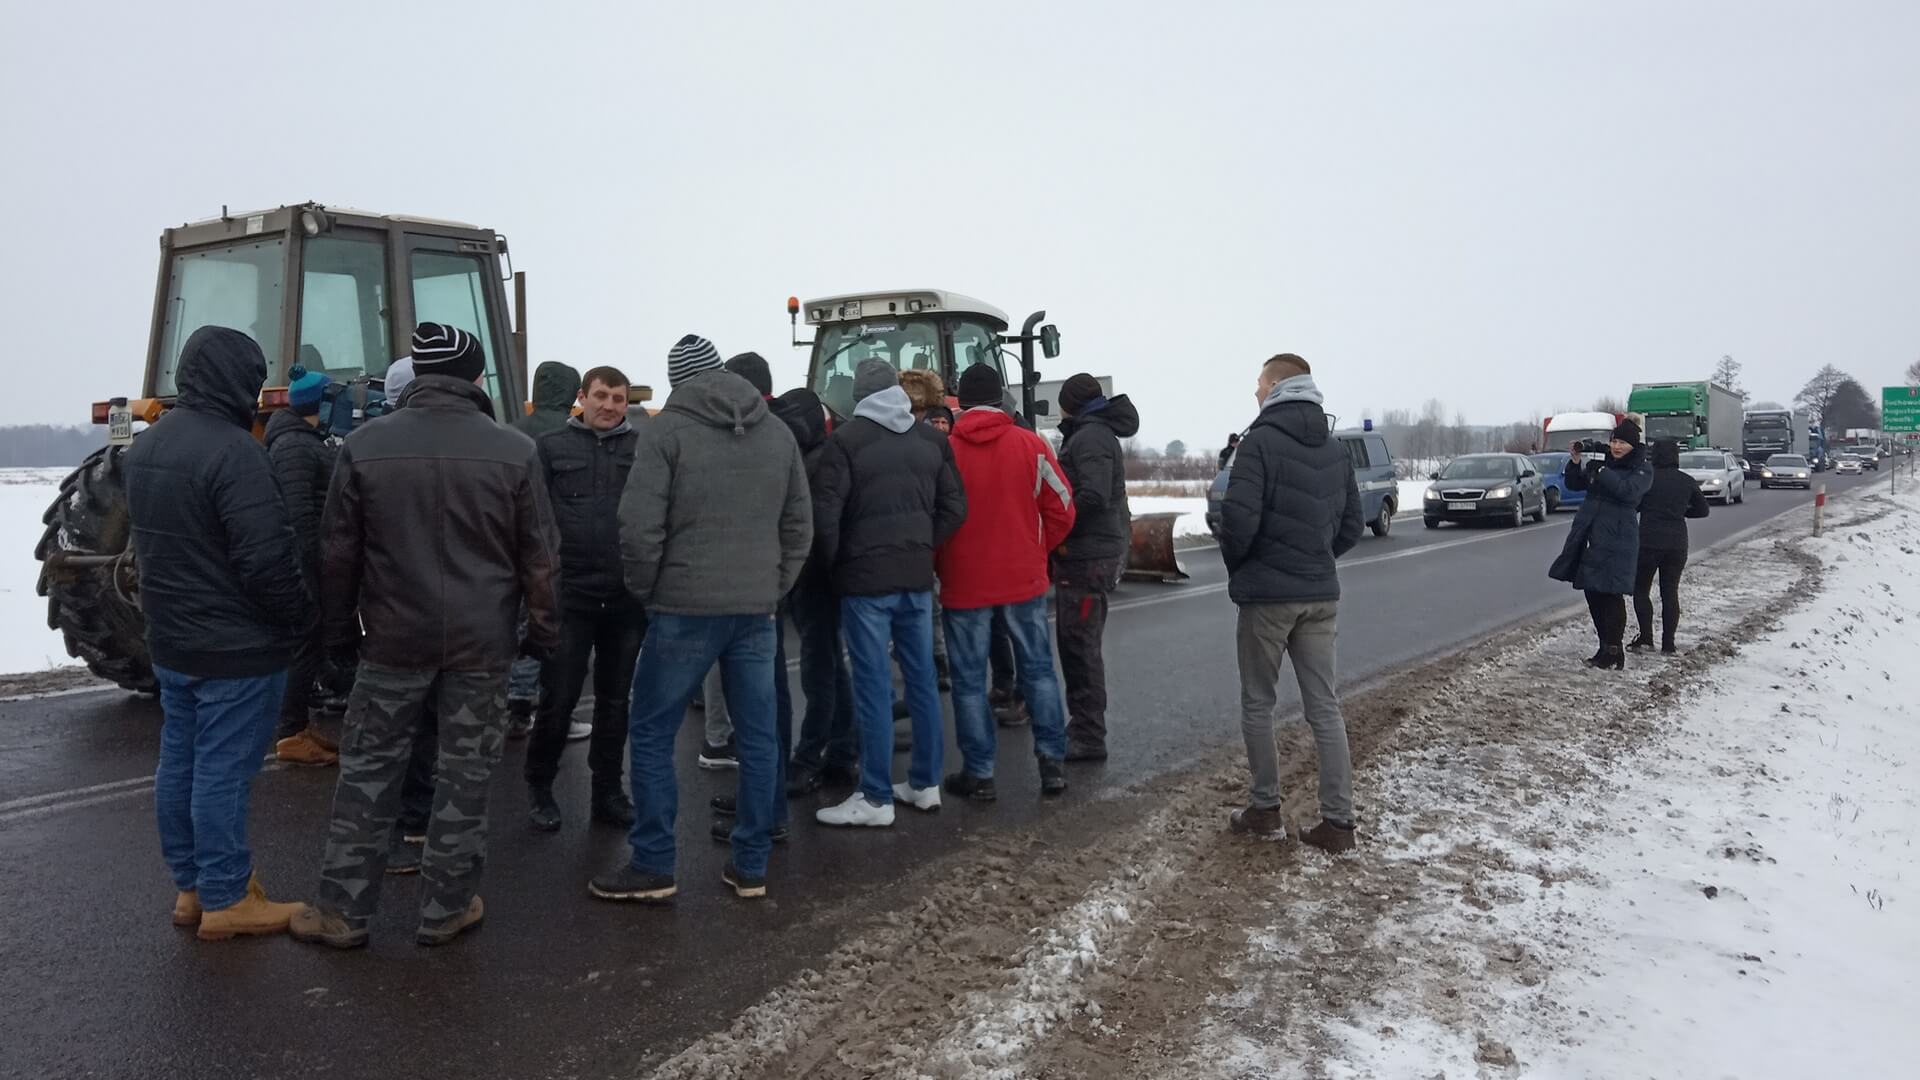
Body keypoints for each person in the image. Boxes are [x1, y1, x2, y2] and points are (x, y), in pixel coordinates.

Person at [290, 323, 561, 949]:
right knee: (465, 775)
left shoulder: (364, 445)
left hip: (391, 641)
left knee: (368, 773)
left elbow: (336, 554)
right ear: (474, 377)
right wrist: (544, 634)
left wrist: (337, 634)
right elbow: (541, 558)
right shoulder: (513, 451)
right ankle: (446, 907)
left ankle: (342, 913)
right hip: (481, 645)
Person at [588, 334, 810, 904]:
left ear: (678, 380)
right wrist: (773, 586)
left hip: (683, 608)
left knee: (653, 731)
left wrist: (649, 590)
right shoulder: (777, 431)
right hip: (756, 612)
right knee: (759, 739)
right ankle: (751, 865)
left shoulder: (666, 431)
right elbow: (798, 526)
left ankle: (655, 863)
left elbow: (638, 526)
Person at [124, 325, 315, 940]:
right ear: (238, 380)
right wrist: (299, 620)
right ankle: (229, 897)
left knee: (179, 763)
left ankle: (191, 889)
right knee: (223, 773)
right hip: (237, 648)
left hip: (172, 640)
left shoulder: (147, 447)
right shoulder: (237, 453)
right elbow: (266, 560)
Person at [811, 361, 967, 827]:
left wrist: (836, 566)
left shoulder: (845, 441)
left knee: (874, 685)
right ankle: (924, 782)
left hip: (865, 583)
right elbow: (955, 507)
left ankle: (876, 795)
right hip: (916, 579)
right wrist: (921, 542)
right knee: (921, 681)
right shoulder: (932, 440)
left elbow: (826, 520)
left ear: (858, 394)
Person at [1219, 353, 1364, 854]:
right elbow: (1351, 526)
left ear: (1278, 384)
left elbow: (1237, 522)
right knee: (1325, 706)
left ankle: (1264, 810)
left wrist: (1243, 568)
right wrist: (1316, 557)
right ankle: (1339, 823)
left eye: (1259, 382)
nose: (1255, 391)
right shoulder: (1333, 446)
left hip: (1267, 596)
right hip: (1320, 592)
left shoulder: (1258, 442)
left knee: (1258, 703)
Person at [937, 364, 1076, 802]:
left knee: (968, 680)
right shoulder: (1031, 445)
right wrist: (1038, 549)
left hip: (964, 582)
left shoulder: (946, 452)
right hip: (1023, 578)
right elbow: (1063, 507)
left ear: (962, 402)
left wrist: (942, 563)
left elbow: (934, 519)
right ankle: (1052, 763)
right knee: (1038, 670)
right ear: (1001, 398)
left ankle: (980, 774)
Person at [525, 365, 647, 832]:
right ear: (583, 397)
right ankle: (539, 785)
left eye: (618, 399)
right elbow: (533, 519)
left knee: (616, 704)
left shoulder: (641, 448)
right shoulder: (552, 447)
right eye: (601, 396)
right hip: (570, 597)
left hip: (624, 599)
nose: (610, 407)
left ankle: (608, 792)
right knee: (559, 700)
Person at [772, 387, 859, 797]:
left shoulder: (816, 462)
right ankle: (841, 752)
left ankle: (808, 758)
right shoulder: (822, 455)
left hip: (815, 579)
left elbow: (819, 528)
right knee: (830, 668)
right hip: (820, 578)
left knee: (818, 670)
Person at [1051, 373, 1138, 762]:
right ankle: (1084, 728)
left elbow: (1093, 496)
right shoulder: (1091, 433)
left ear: (1071, 402)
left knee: (1080, 646)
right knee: (1076, 643)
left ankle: (1088, 735)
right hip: (1090, 551)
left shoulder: (1091, 437)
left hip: (1088, 555)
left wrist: (1056, 523)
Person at [269, 365, 342, 767]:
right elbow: (299, 516)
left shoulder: (302, 440)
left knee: (311, 644)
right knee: (304, 642)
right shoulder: (296, 447)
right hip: (306, 563)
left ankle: (299, 726)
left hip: (312, 560)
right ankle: (291, 733)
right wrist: (314, 570)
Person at [506, 359, 582, 738]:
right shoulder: (574, 433)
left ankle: (517, 707)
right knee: (556, 633)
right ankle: (556, 717)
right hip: (562, 549)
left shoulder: (510, 432)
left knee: (521, 627)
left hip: (515, 547)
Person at [1549, 418, 1653, 671]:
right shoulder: (1604, 465)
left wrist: (1604, 473)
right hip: (1593, 536)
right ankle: (1604, 646)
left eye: (1622, 443)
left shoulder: (1642, 468)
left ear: (1633, 445)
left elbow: (1628, 492)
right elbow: (1575, 485)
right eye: (1614, 441)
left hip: (1619, 539)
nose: (1616, 447)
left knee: (1610, 594)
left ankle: (1614, 650)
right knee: (1592, 591)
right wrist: (1575, 463)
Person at [1631, 439, 1709, 654]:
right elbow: (1703, 510)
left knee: (1640, 589)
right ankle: (1668, 643)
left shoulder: (1647, 479)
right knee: (1670, 592)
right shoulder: (1687, 481)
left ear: (1653, 455)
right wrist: (1680, 512)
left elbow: (1634, 506)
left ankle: (1646, 638)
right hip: (1677, 543)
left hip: (1648, 541)